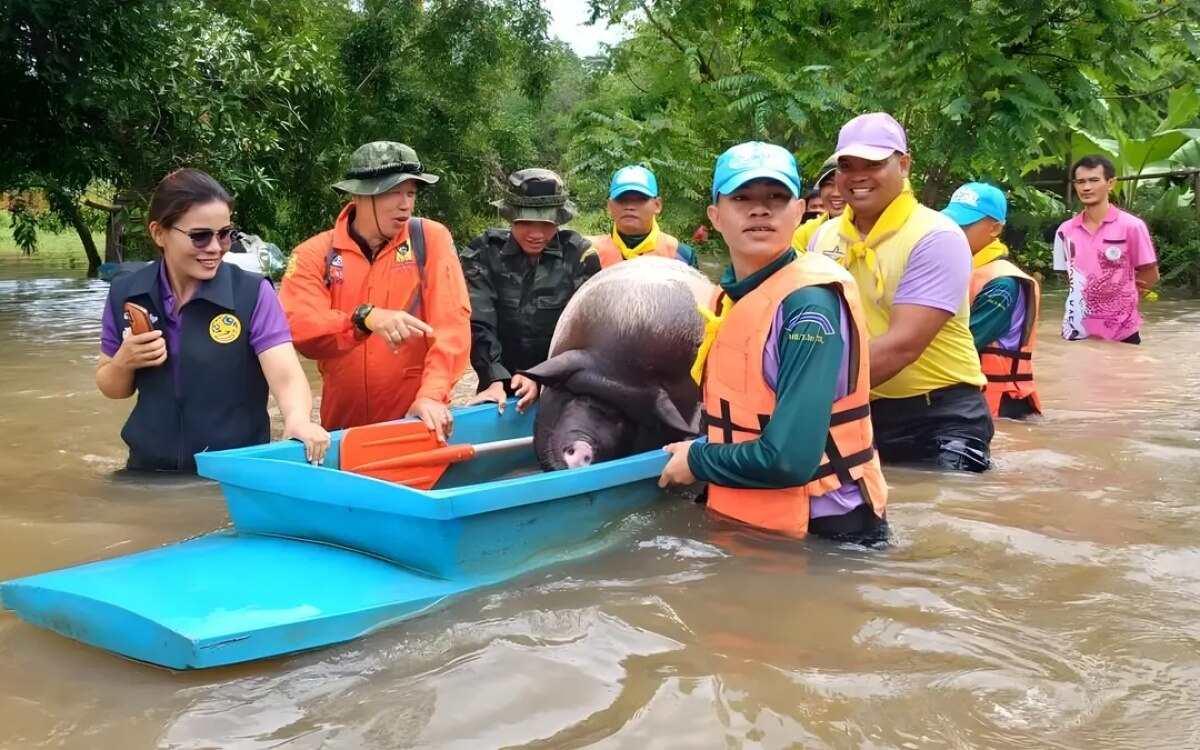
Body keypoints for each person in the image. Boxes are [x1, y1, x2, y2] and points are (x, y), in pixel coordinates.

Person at [658, 141, 888, 545]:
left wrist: (697, 459)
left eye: (776, 198)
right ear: (715, 216)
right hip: (753, 520)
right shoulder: (730, 297)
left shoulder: (809, 306)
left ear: (799, 212)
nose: (759, 209)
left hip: (827, 533)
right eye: (742, 197)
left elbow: (790, 460)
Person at [97, 169, 329, 472]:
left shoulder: (251, 294)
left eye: (225, 234)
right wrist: (124, 362)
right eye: (200, 236)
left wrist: (298, 420)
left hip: (233, 475)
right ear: (159, 233)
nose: (216, 248)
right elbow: (113, 387)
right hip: (146, 473)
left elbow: (286, 376)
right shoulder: (128, 293)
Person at [812, 112, 992, 472]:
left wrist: (799, 396)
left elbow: (903, 345)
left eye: (874, 163)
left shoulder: (935, 236)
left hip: (940, 419)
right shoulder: (824, 237)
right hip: (860, 413)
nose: (858, 175)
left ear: (904, 165)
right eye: (847, 165)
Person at [278, 142, 471, 439]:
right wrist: (362, 319)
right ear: (358, 195)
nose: (405, 204)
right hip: (340, 430)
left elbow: (452, 326)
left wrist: (432, 395)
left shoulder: (430, 239)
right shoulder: (312, 254)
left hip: (415, 424)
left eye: (411, 193)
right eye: (393, 193)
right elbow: (302, 331)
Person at [462, 169, 602, 413]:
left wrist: (542, 376)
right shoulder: (484, 252)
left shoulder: (579, 255)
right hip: (498, 388)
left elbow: (587, 332)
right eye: (525, 222)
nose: (536, 234)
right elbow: (478, 323)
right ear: (510, 217)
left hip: (562, 386)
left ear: (558, 221)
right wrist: (495, 378)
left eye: (546, 224)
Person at [942, 183, 1041, 420]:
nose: (953, 230)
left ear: (995, 228)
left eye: (964, 225)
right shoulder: (960, 269)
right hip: (973, 400)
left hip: (1001, 407)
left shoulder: (1002, 283)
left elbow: (961, 344)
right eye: (949, 222)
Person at [1053, 155, 1159, 344]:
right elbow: (1068, 277)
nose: (1086, 187)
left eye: (1094, 180)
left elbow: (1150, 274)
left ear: (1110, 183)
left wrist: (1120, 296)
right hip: (1076, 331)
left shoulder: (1132, 226)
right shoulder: (1065, 231)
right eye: (1080, 182)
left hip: (1122, 333)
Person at [587, 164, 699, 268]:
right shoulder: (589, 254)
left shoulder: (679, 255)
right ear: (610, 207)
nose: (630, 207)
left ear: (657, 205)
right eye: (622, 199)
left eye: (640, 199)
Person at [792, 157, 843, 253]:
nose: (836, 194)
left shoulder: (871, 229)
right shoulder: (806, 232)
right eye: (829, 184)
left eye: (842, 184)